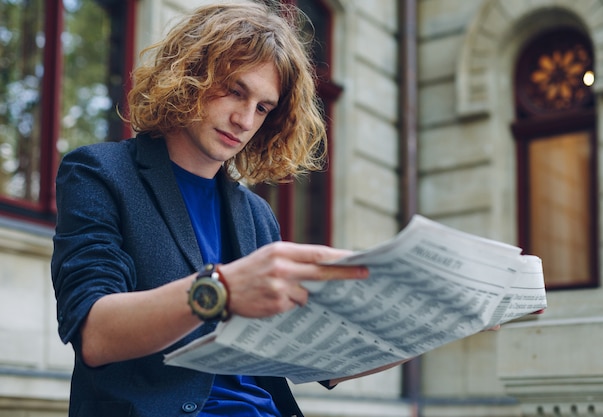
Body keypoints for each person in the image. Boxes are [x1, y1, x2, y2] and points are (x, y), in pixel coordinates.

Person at [51, 2, 386, 417]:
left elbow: (319, 363)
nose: (245, 120)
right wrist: (221, 290)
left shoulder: (257, 216)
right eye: (235, 90)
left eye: (263, 108)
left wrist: (439, 325)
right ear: (190, 75)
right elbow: (94, 334)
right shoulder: (100, 173)